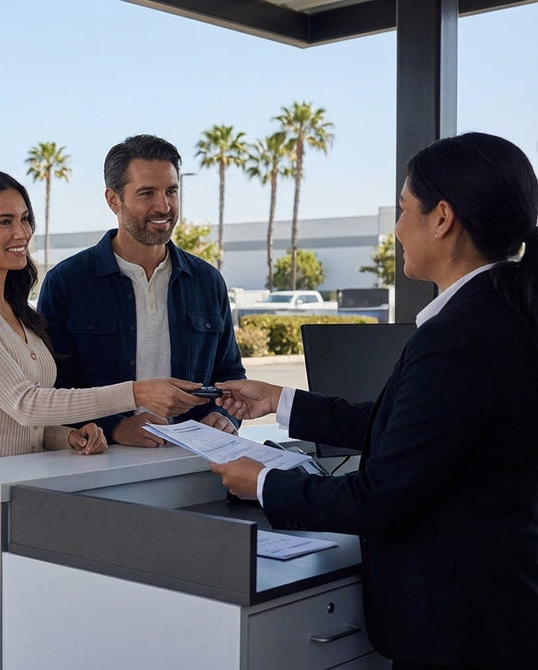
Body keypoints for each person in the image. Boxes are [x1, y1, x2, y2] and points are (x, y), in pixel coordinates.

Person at [210, 132, 538, 670]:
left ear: (442, 218)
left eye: (405, 209)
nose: (398, 228)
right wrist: (280, 400)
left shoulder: (461, 335)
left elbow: (380, 498)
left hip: (461, 629)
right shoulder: (504, 312)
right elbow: (412, 431)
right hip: (497, 607)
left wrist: (264, 482)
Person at [0, 168, 207, 669]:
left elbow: (27, 417)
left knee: (19, 654)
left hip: (23, 500)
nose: (21, 233)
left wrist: (69, 436)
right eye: (4, 221)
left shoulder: (17, 309)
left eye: (25, 219)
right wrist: (135, 392)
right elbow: (23, 400)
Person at [37, 134, 245, 448]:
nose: (163, 206)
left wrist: (224, 416)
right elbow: (53, 387)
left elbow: (229, 373)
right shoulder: (67, 282)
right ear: (113, 200)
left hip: (195, 461)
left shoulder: (207, 280)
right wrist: (115, 427)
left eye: (171, 191)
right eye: (147, 193)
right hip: (101, 464)